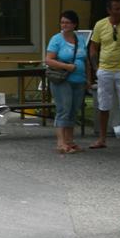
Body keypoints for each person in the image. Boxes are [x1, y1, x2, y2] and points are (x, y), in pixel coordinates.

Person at [89, 0, 120, 149]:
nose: (119, 12)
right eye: (116, 9)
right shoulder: (100, 24)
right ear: (109, 10)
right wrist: (96, 68)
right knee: (103, 104)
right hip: (105, 69)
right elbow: (93, 47)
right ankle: (102, 138)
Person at [46, 10, 89, 154]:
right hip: (63, 79)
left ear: (74, 24)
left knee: (73, 110)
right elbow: (49, 60)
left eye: (67, 22)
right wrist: (66, 66)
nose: (64, 25)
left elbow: (85, 59)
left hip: (79, 79)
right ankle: (61, 142)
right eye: (62, 22)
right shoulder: (56, 39)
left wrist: (88, 78)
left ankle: (70, 141)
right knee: (63, 109)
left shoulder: (80, 39)